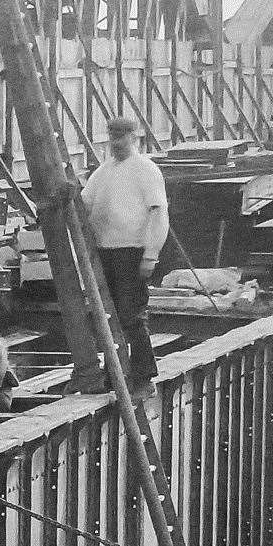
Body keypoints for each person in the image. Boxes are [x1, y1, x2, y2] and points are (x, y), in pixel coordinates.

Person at [81, 116, 168, 390]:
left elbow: (158, 213)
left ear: (134, 138)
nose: (117, 144)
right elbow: (85, 202)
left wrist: (151, 254)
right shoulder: (104, 172)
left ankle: (143, 375)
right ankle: (115, 372)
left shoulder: (146, 169)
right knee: (109, 316)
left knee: (131, 314)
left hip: (132, 251)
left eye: (122, 138)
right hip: (105, 252)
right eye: (113, 138)